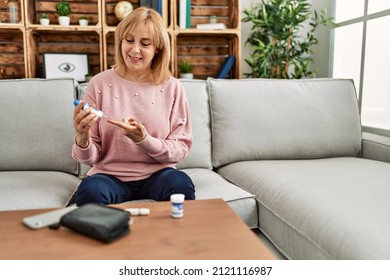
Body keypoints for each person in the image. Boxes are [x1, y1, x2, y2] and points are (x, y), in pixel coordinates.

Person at [72, 7, 195, 205]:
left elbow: (180, 149)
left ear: (158, 48)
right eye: (129, 40)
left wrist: (144, 140)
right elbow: (89, 158)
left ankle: (176, 236)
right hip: (109, 177)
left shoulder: (172, 87)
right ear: (121, 41)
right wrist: (82, 137)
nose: (135, 49)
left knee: (180, 183)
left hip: (159, 175)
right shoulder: (99, 83)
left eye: (145, 43)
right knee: (90, 190)